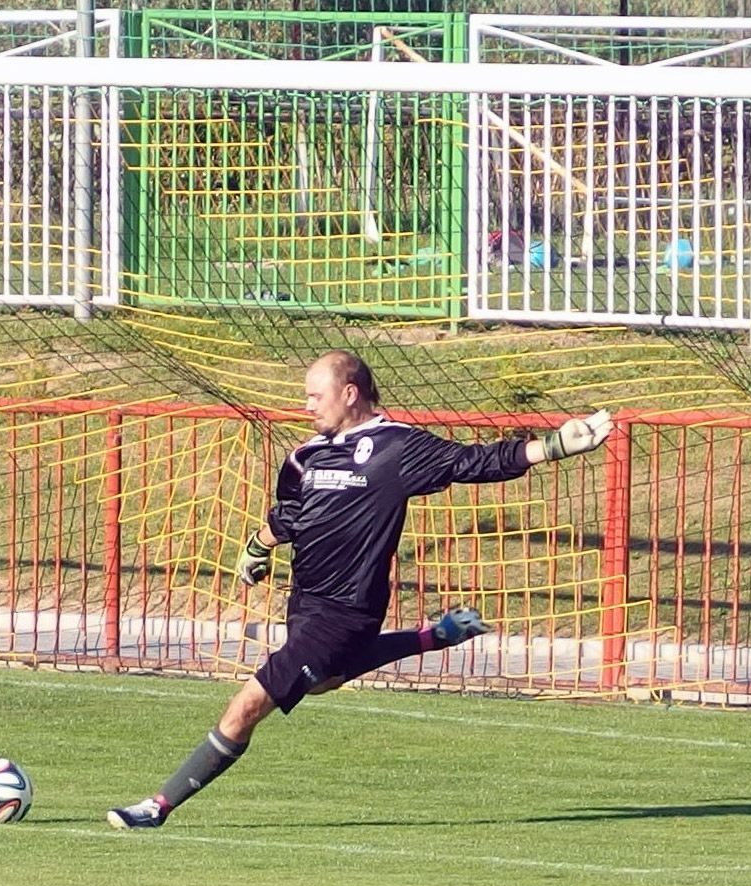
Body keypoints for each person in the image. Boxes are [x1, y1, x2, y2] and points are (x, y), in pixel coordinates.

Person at [107, 349, 614, 829]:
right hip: (305, 603)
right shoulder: (304, 457)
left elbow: (473, 462)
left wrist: (552, 447)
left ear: (350, 393)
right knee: (323, 680)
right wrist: (258, 545)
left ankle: (157, 805)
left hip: (347, 611)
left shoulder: (397, 447)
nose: (307, 405)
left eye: (315, 395)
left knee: (247, 707)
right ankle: (435, 636)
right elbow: (291, 514)